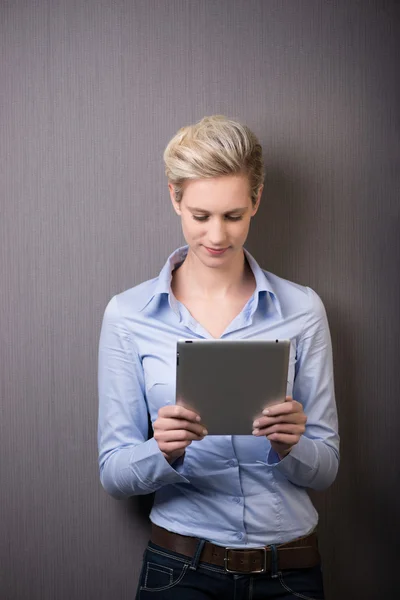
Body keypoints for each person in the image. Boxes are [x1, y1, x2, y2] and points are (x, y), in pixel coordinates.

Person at [97, 115, 339, 600]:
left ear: (256, 200)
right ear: (175, 198)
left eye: (233, 215)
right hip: (179, 570)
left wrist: (293, 445)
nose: (216, 236)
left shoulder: (303, 310)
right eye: (200, 215)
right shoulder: (128, 315)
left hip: (289, 574)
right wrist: (161, 451)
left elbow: (327, 467)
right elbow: (114, 473)